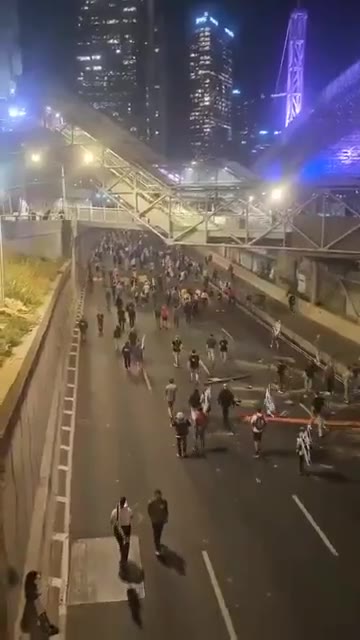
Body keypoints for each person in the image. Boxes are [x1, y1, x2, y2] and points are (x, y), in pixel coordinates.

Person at [22, 571, 59, 637]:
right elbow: (31, 594)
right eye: (38, 578)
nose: (38, 580)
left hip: (33, 600)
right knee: (41, 614)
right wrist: (37, 594)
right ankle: (47, 628)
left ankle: (47, 627)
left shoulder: (30, 583)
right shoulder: (31, 584)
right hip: (34, 600)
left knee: (41, 613)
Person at [110, 496, 133, 569]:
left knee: (120, 542)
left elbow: (111, 521)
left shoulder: (115, 511)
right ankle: (124, 558)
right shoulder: (128, 510)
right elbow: (132, 517)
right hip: (126, 528)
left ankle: (122, 552)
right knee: (126, 543)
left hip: (118, 529)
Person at [148, 489, 169, 556]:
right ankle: (157, 547)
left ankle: (158, 542)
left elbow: (166, 510)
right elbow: (149, 511)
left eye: (159, 495)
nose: (158, 496)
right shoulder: (151, 503)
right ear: (155, 495)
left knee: (159, 532)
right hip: (155, 521)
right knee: (156, 533)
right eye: (157, 495)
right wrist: (152, 518)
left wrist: (166, 518)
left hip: (161, 521)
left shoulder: (164, 502)